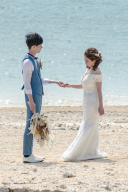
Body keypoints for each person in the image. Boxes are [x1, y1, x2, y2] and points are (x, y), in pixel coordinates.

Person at [21, 32, 66, 163]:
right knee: (30, 124)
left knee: (33, 123)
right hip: (33, 96)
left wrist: (55, 82)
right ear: (34, 46)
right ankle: (27, 155)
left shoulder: (34, 60)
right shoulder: (27, 62)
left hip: (36, 95)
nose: (42, 47)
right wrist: (31, 101)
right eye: (40, 45)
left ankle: (29, 153)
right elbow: (27, 84)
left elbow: (39, 79)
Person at [60, 47, 107, 162]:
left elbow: (99, 90)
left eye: (87, 60)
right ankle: (87, 150)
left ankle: (86, 151)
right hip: (86, 100)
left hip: (93, 101)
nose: (85, 62)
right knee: (87, 123)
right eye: (85, 60)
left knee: (90, 125)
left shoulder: (97, 72)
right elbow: (83, 85)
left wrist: (101, 105)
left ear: (94, 61)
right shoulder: (88, 70)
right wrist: (69, 85)